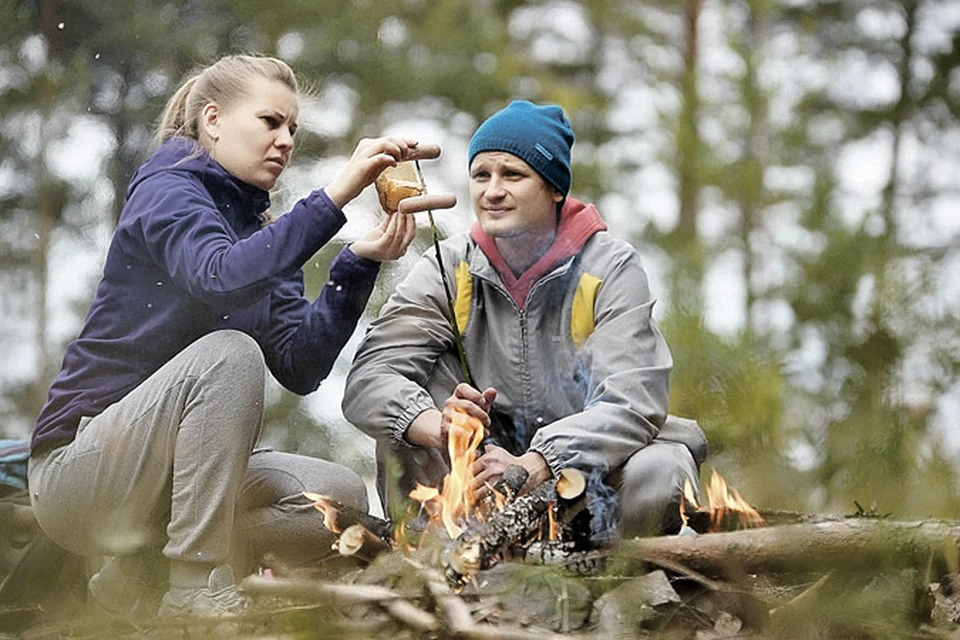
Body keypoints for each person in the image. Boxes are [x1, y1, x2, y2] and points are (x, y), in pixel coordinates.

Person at [28, 54, 432, 618]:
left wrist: (356, 264)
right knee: (229, 353)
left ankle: (134, 578)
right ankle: (194, 590)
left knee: (336, 496)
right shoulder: (166, 191)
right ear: (213, 120)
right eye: (271, 122)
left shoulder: (265, 235)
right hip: (81, 474)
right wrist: (335, 195)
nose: (286, 140)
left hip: (167, 493)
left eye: (293, 128)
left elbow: (300, 364)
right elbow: (217, 277)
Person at [342, 100, 708, 540]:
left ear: (554, 187)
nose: (491, 191)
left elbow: (634, 399)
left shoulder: (610, 266)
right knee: (402, 420)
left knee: (662, 468)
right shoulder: (448, 265)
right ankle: (440, 555)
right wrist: (439, 426)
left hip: (580, 483)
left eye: (512, 175)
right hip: (475, 485)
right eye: (481, 175)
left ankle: (601, 565)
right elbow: (370, 377)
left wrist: (537, 463)